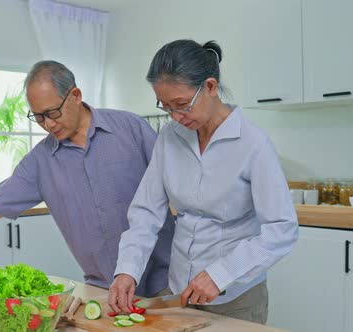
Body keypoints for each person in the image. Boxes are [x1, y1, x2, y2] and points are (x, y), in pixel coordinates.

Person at [0, 60, 175, 297]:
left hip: (167, 284)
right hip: (102, 291)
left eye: (53, 113)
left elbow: (173, 189)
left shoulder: (131, 128)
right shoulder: (40, 162)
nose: (48, 124)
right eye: (38, 117)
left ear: (75, 95)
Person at [108, 40, 298, 324]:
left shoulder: (253, 144)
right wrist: (127, 270)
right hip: (179, 290)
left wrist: (220, 273)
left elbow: (282, 229)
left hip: (235, 298)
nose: (175, 117)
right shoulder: (170, 138)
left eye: (182, 105)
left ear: (210, 87)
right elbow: (146, 213)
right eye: (167, 107)